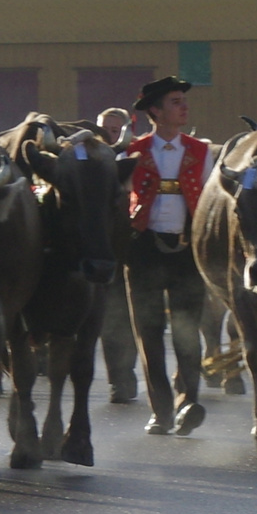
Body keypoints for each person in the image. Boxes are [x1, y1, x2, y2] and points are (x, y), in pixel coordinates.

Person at [123, 76, 214, 436]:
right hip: (143, 248)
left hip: (187, 249)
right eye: (175, 102)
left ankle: (187, 401)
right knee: (149, 332)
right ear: (155, 112)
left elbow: (208, 201)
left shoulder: (202, 151)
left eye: (183, 101)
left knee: (187, 331)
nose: (184, 106)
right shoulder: (132, 150)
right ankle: (160, 411)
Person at [94, 107, 140, 403]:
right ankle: (118, 379)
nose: (109, 135)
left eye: (114, 130)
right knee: (109, 313)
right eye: (105, 130)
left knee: (132, 313)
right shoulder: (90, 162)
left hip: (132, 246)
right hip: (103, 248)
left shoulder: (132, 160)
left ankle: (128, 370)